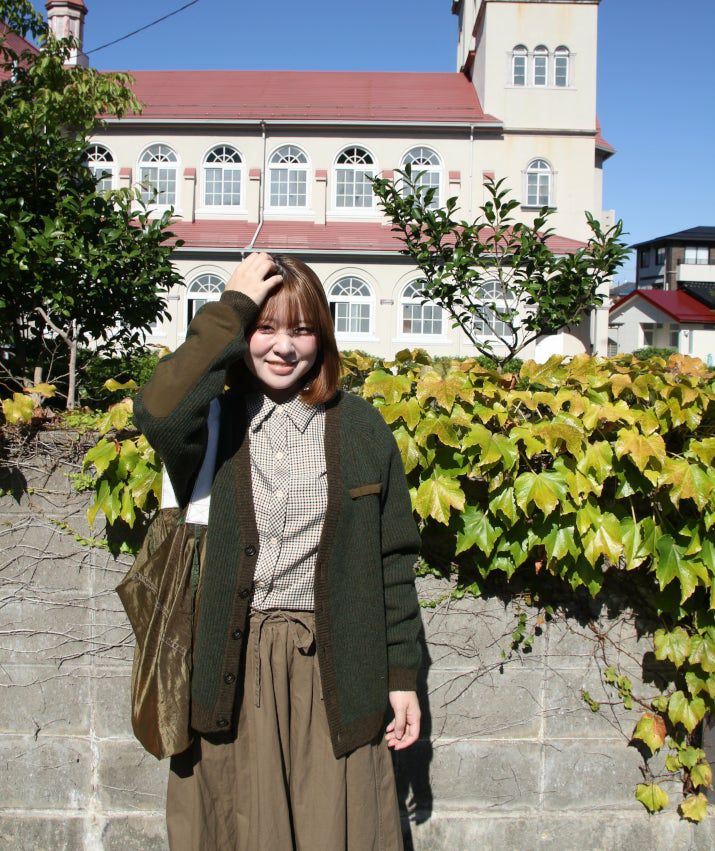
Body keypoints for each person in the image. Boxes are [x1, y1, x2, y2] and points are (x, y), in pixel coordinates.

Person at [133, 252, 423, 850]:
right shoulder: (211, 425)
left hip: (337, 672)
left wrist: (402, 678)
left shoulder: (363, 428)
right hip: (230, 670)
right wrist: (231, 306)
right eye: (265, 328)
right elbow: (158, 409)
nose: (284, 347)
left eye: (302, 329)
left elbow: (393, 562)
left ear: (324, 336)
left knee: (336, 827)